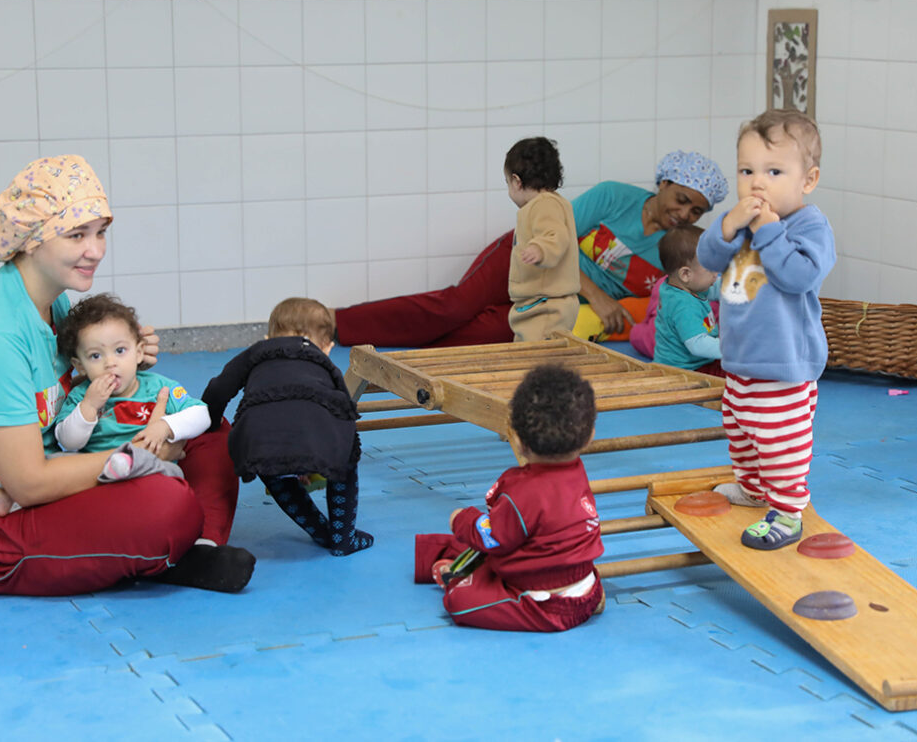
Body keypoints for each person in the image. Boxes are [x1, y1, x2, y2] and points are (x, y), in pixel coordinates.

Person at [0, 155, 253, 595]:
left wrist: (126, 373)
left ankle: (193, 549)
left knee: (209, 429)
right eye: (76, 235)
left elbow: (61, 395)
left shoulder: (52, 302)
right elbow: (27, 483)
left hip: (55, 471)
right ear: (32, 239)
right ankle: (165, 547)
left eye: (100, 232)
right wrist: (141, 456)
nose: (95, 250)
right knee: (167, 504)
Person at [333, 151, 728, 350]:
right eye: (681, 200)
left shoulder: (677, 250)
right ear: (663, 184)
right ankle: (335, 323)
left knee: (488, 333)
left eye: (696, 211)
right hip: (524, 254)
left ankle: (387, 358)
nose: (684, 214)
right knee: (454, 308)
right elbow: (553, 236)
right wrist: (597, 296)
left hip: (552, 298)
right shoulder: (613, 197)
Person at [696, 110, 836, 551]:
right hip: (740, 359)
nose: (758, 183)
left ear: (808, 180)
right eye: (747, 171)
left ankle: (789, 511)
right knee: (741, 431)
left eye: (774, 172)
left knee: (779, 443)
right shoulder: (737, 222)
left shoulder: (809, 226)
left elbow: (798, 276)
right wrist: (727, 225)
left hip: (783, 364)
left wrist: (769, 231)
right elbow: (707, 259)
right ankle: (754, 489)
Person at [0, 293, 207, 517]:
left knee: (171, 473)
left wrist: (165, 427)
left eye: (120, 351)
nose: (110, 363)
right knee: (54, 463)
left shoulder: (158, 387)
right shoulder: (81, 396)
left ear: (138, 353)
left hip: (150, 473)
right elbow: (68, 441)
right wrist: (89, 407)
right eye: (96, 356)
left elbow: (201, 413)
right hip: (93, 474)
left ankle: (128, 464)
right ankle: (10, 495)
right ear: (80, 366)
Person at [413, 365, 604, 632]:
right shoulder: (576, 470)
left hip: (546, 603)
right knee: (479, 541)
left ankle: (457, 578)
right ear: (589, 437)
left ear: (516, 438)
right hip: (583, 579)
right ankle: (589, 599)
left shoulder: (524, 492)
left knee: (459, 601)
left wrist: (461, 519)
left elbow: (494, 538)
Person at [201, 298, 371, 556]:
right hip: (320, 432)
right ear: (328, 347)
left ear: (268, 338)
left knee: (270, 467)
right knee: (346, 460)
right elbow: (344, 408)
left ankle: (318, 529)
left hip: (260, 437)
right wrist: (321, 456)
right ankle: (343, 537)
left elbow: (218, 389)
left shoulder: (256, 353)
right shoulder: (324, 362)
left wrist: (211, 423)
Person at [504, 137, 580, 342]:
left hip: (546, 306)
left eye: (507, 183)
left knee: (537, 355)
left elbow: (556, 235)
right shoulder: (550, 203)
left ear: (517, 181)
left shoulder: (544, 204)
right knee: (528, 352)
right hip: (540, 303)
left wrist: (540, 249)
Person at [652, 225, 724, 377]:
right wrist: (731, 349)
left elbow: (717, 290)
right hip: (684, 369)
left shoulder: (684, 286)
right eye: (710, 269)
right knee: (736, 374)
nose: (716, 273)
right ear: (685, 274)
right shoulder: (683, 306)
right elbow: (698, 345)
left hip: (693, 361)